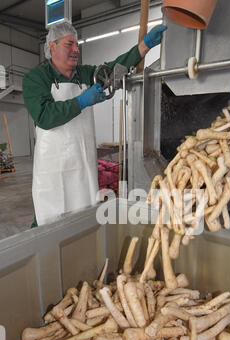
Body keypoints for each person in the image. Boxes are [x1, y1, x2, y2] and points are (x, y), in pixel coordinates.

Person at [23, 21, 167, 227]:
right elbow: (44, 116)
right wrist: (81, 101)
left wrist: (143, 46)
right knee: (50, 220)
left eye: (77, 45)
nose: (75, 50)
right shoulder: (36, 78)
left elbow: (114, 69)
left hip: (83, 166)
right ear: (52, 46)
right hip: (54, 170)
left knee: (83, 219)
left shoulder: (85, 74)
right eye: (69, 44)